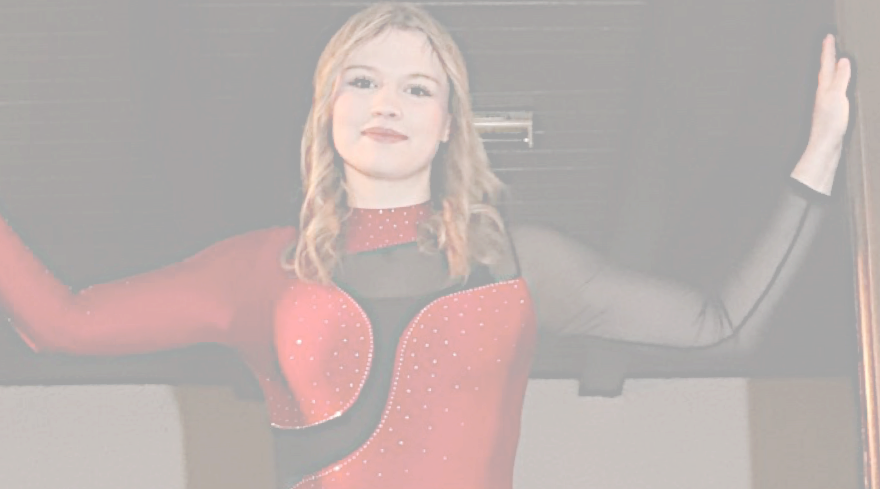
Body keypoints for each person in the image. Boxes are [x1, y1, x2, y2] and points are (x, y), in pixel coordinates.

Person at [0, 2, 851, 489]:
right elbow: (59, 322)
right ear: (328, 110)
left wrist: (818, 156)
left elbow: (720, 323)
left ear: (448, 123)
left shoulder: (518, 263)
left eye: (417, 87)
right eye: (363, 80)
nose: (387, 104)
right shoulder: (263, 271)